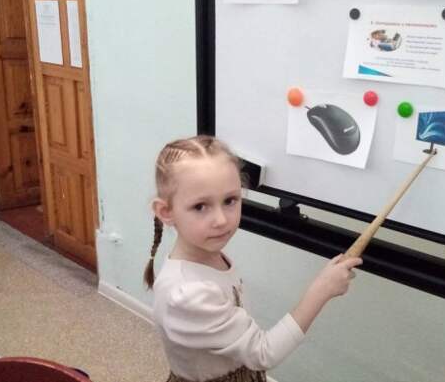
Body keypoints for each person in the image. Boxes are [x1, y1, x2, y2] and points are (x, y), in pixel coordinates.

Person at [143, 135, 363, 382]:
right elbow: (263, 353)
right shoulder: (187, 295)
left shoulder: (207, 254)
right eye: (200, 206)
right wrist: (322, 289)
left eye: (230, 200)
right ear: (166, 212)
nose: (221, 220)